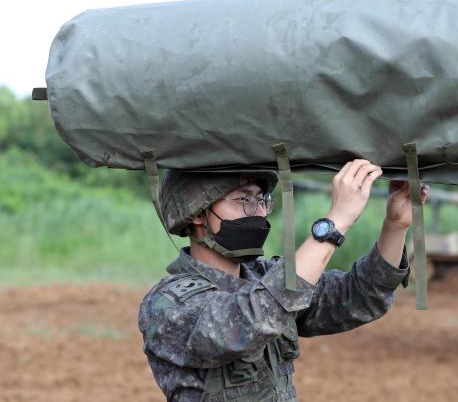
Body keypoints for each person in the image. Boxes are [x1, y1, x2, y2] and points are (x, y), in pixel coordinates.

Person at [138, 159, 430, 402]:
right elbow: (251, 319)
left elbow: (356, 296)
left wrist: (395, 225)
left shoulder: (264, 277)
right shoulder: (168, 304)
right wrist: (335, 221)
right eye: (244, 200)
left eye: (262, 199)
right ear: (198, 213)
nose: (259, 211)